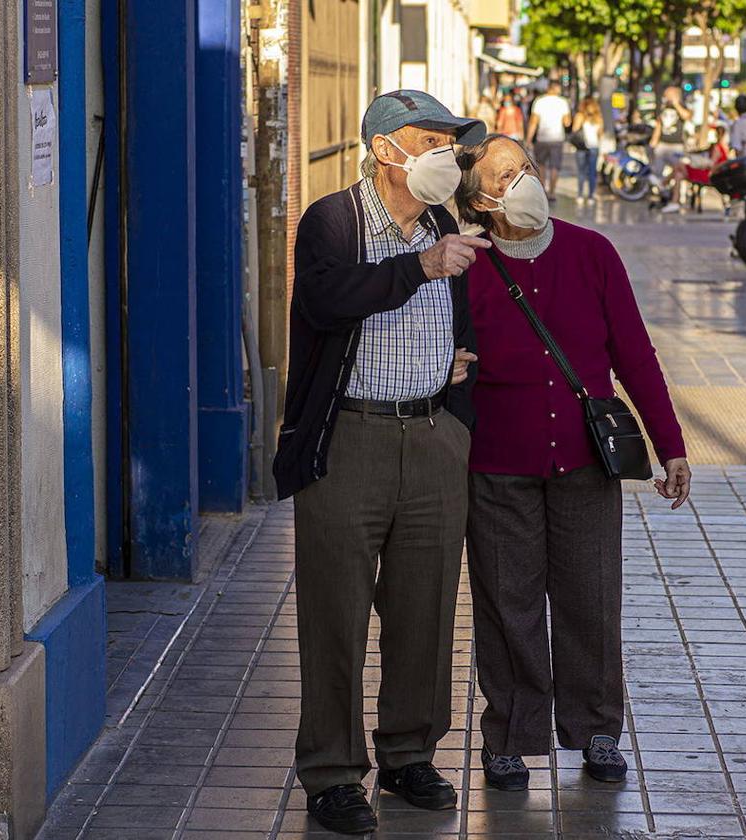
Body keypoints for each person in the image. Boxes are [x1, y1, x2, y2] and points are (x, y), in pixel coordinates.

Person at [273, 89, 487, 836]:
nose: (445, 158)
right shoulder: (332, 220)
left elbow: (453, 313)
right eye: (432, 141)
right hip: (349, 441)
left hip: (431, 438)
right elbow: (329, 302)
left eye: (451, 145)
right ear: (386, 149)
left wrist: (453, 370)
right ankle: (332, 772)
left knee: (425, 606)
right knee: (335, 613)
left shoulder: (442, 220)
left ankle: (407, 751)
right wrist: (420, 267)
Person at [453, 134, 691, 793]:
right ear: (480, 196)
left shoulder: (593, 253)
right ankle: (510, 736)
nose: (523, 181)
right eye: (505, 175)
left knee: (590, 600)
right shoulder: (466, 264)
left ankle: (596, 731)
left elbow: (636, 356)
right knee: (508, 603)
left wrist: (670, 445)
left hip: (587, 462)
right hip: (496, 466)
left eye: (526, 168)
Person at [649, 85, 696, 212]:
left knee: (679, 169)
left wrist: (676, 104)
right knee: (657, 173)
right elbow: (658, 126)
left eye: (668, 95)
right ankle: (666, 193)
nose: (666, 97)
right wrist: (653, 143)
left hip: (676, 145)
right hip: (662, 144)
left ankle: (667, 189)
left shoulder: (682, 106)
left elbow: (687, 116)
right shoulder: (662, 108)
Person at [526, 80, 572, 199]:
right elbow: (567, 123)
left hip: (542, 138)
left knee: (541, 165)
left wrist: (528, 139)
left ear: (548, 88)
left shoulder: (539, 101)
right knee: (555, 167)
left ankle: (543, 192)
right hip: (557, 138)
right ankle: (552, 192)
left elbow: (533, 122)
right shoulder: (563, 102)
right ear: (557, 89)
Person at [571, 96, 604, 201]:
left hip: (581, 147)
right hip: (594, 147)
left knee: (581, 172)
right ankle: (591, 196)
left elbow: (574, 130)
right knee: (592, 172)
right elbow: (600, 134)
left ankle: (580, 195)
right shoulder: (599, 118)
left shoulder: (579, 116)